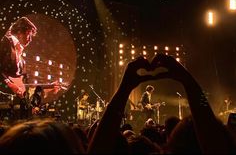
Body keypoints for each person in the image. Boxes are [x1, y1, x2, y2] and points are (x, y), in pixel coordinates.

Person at [88, 54, 236, 154]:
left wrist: (124, 90)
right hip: (146, 111)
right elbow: (213, 142)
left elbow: (99, 148)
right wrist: (189, 82)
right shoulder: (146, 95)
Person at [0, 17, 37, 98]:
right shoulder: (4, 41)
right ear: (20, 32)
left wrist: (49, 87)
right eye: (28, 34)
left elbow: (23, 84)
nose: (30, 40)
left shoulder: (22, 59)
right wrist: (9, 84)